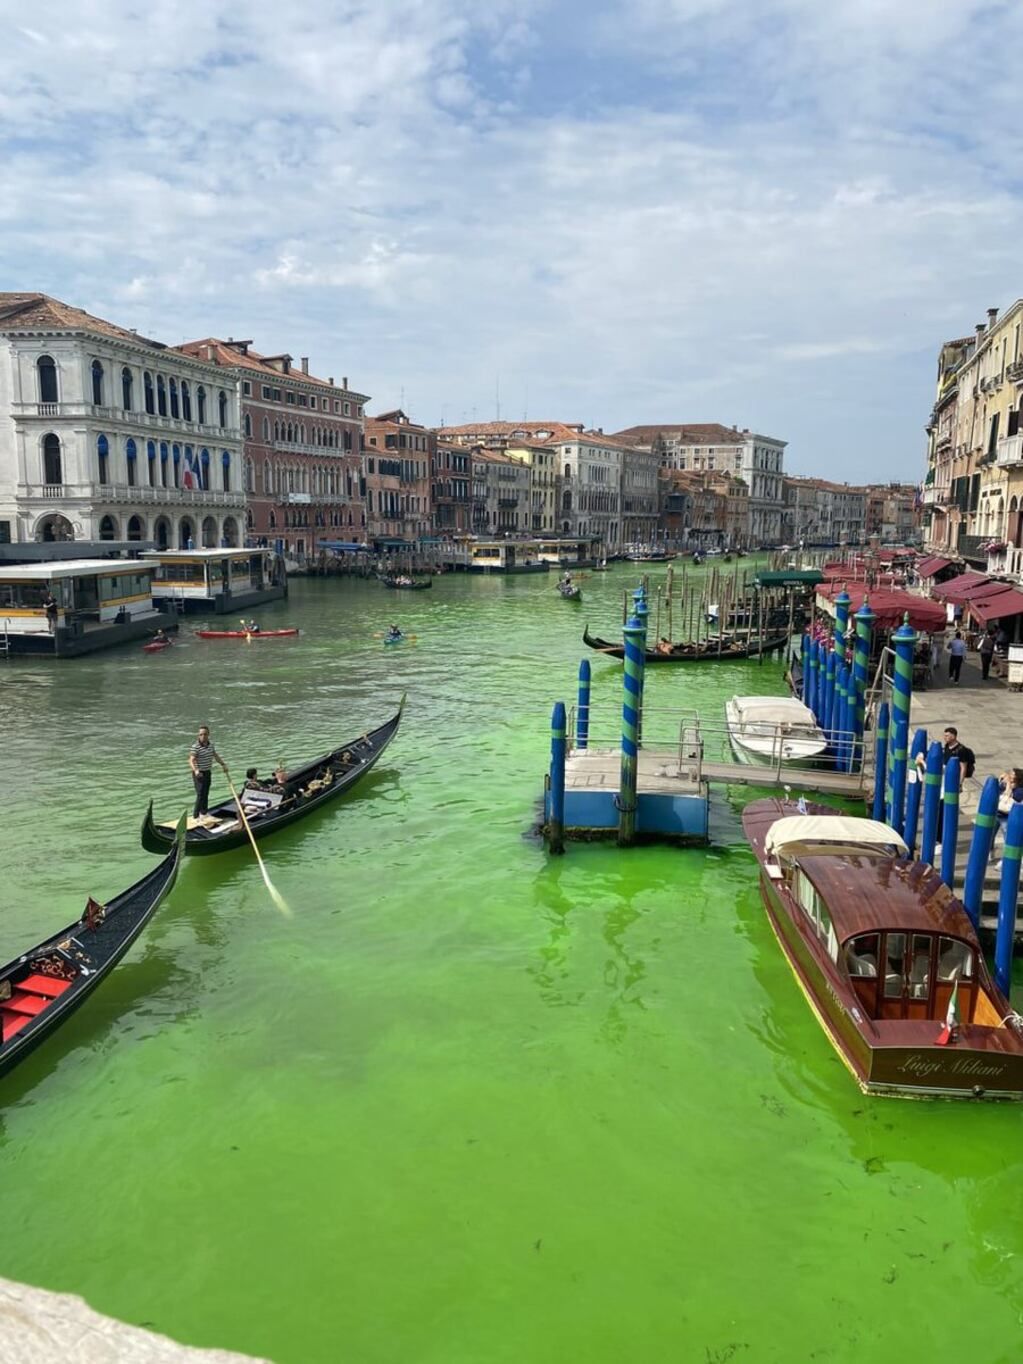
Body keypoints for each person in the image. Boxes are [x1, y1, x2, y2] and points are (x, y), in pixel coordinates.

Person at [189, 725, 229, 818]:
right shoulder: (195, 747)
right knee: (200, 794)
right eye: (201, 734)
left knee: (206, 792)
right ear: (198, 735)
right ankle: (195, 816)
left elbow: (215, 755)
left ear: (208, 735)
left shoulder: (211, 745)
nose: (203, 736)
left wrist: (223, 764)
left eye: (205, 734)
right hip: (198, 773)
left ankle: (204, 813)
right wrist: (196, 771)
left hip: (207, 772)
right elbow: (191, 760)